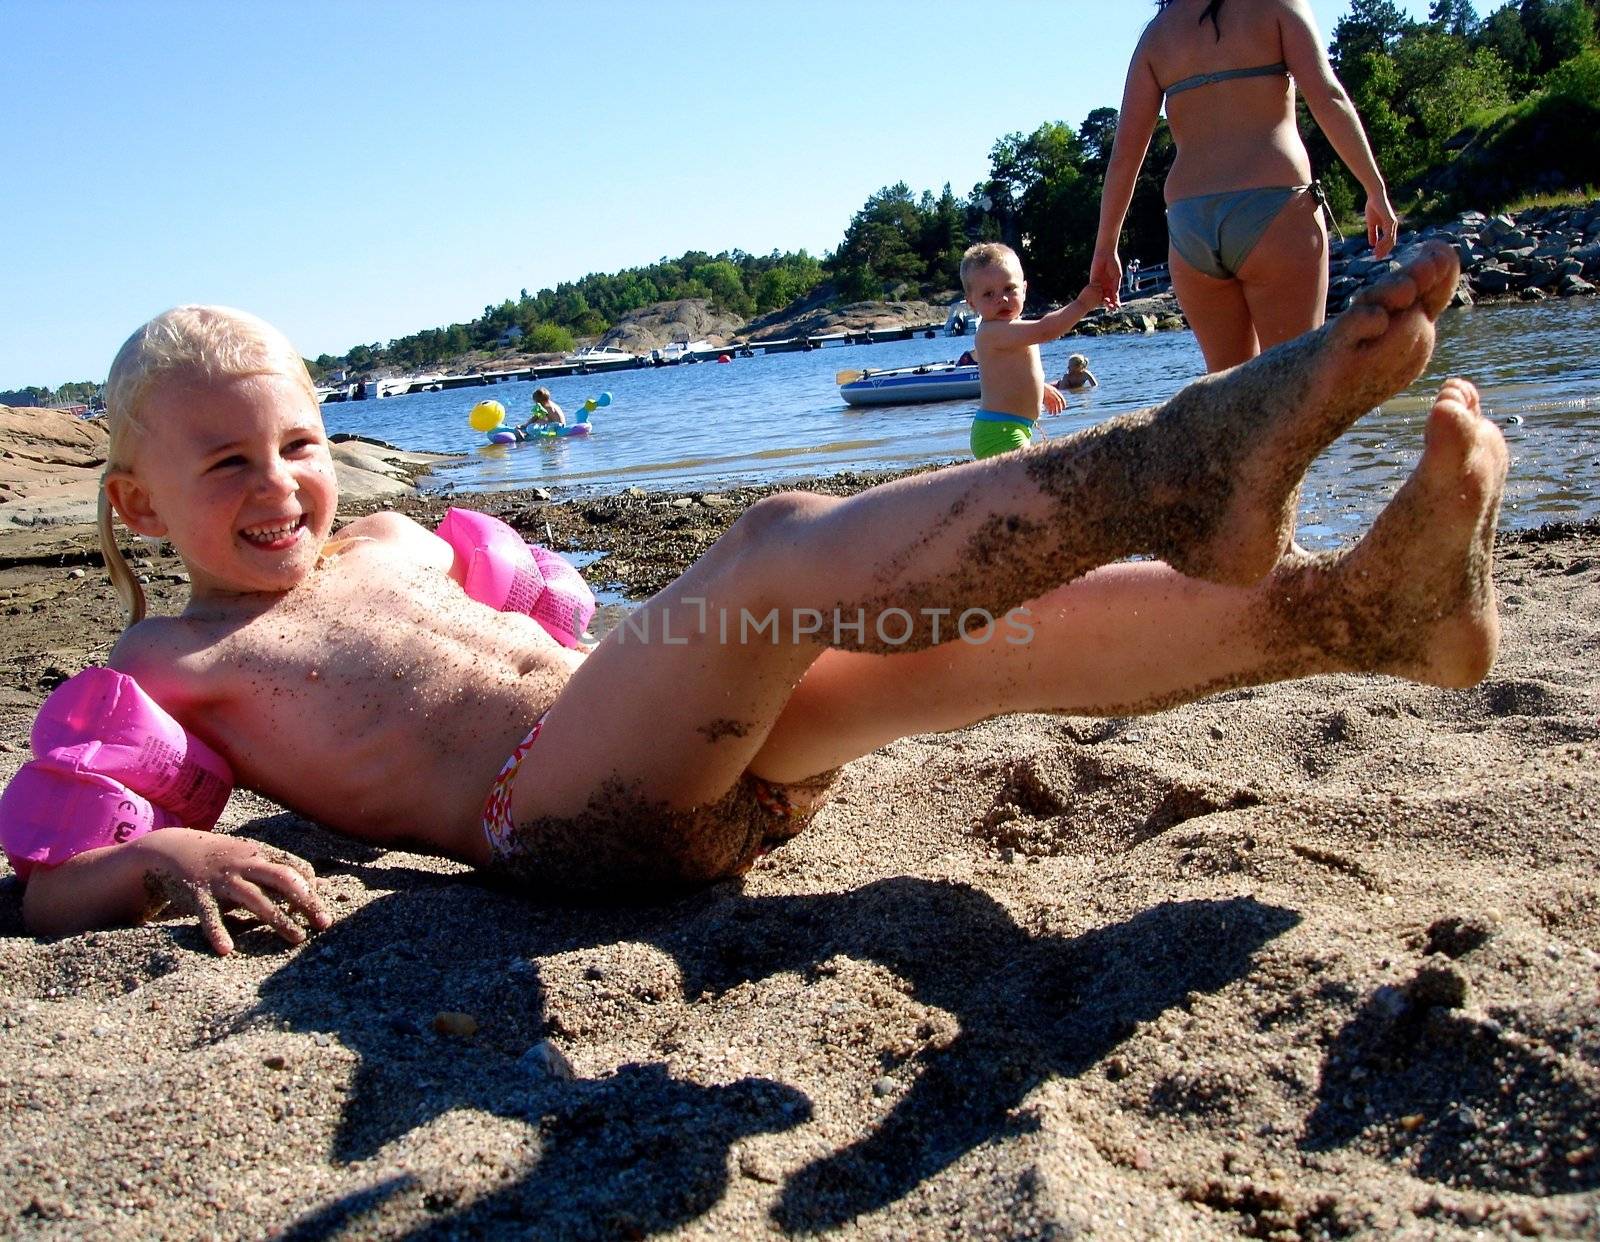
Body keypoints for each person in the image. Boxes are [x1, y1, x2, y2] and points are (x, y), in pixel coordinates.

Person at [2, 243, 1507, 957]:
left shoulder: (413, 537)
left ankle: (1354, 615)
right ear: (137, 503)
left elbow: (580, 635)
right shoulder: (165, 662)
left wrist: (729, 656)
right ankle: (1172, 473)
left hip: (704, 767)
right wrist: (163, 854)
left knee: (991, 645)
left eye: (300, 443)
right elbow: (43, 871)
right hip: (556, 820)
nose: (280, 485)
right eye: (226, 464)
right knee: (779, 543)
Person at [1090, 0, 1399, 373]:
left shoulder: (1157, 36)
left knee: (1230, 398)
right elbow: (1328, 97)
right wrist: (1374, 187)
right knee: (1295, 384)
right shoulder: (1277, 7)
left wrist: (1106, 246)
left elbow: (1124, 154)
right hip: (1275, 210)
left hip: (1192, 226)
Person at [962, 243, 1105, 460]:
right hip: (1000, 432)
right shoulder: (992, 331)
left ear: (1024, 289)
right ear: (972, 304)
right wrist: (1083, 303)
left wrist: (1041, 388)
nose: (1002, 298)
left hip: (1009, 427)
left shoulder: (1014, 328)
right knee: (1036, 484)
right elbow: (1047, 329)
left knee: (1021, 490)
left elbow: (1008, 375)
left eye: (1009, 288)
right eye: (988, 294)